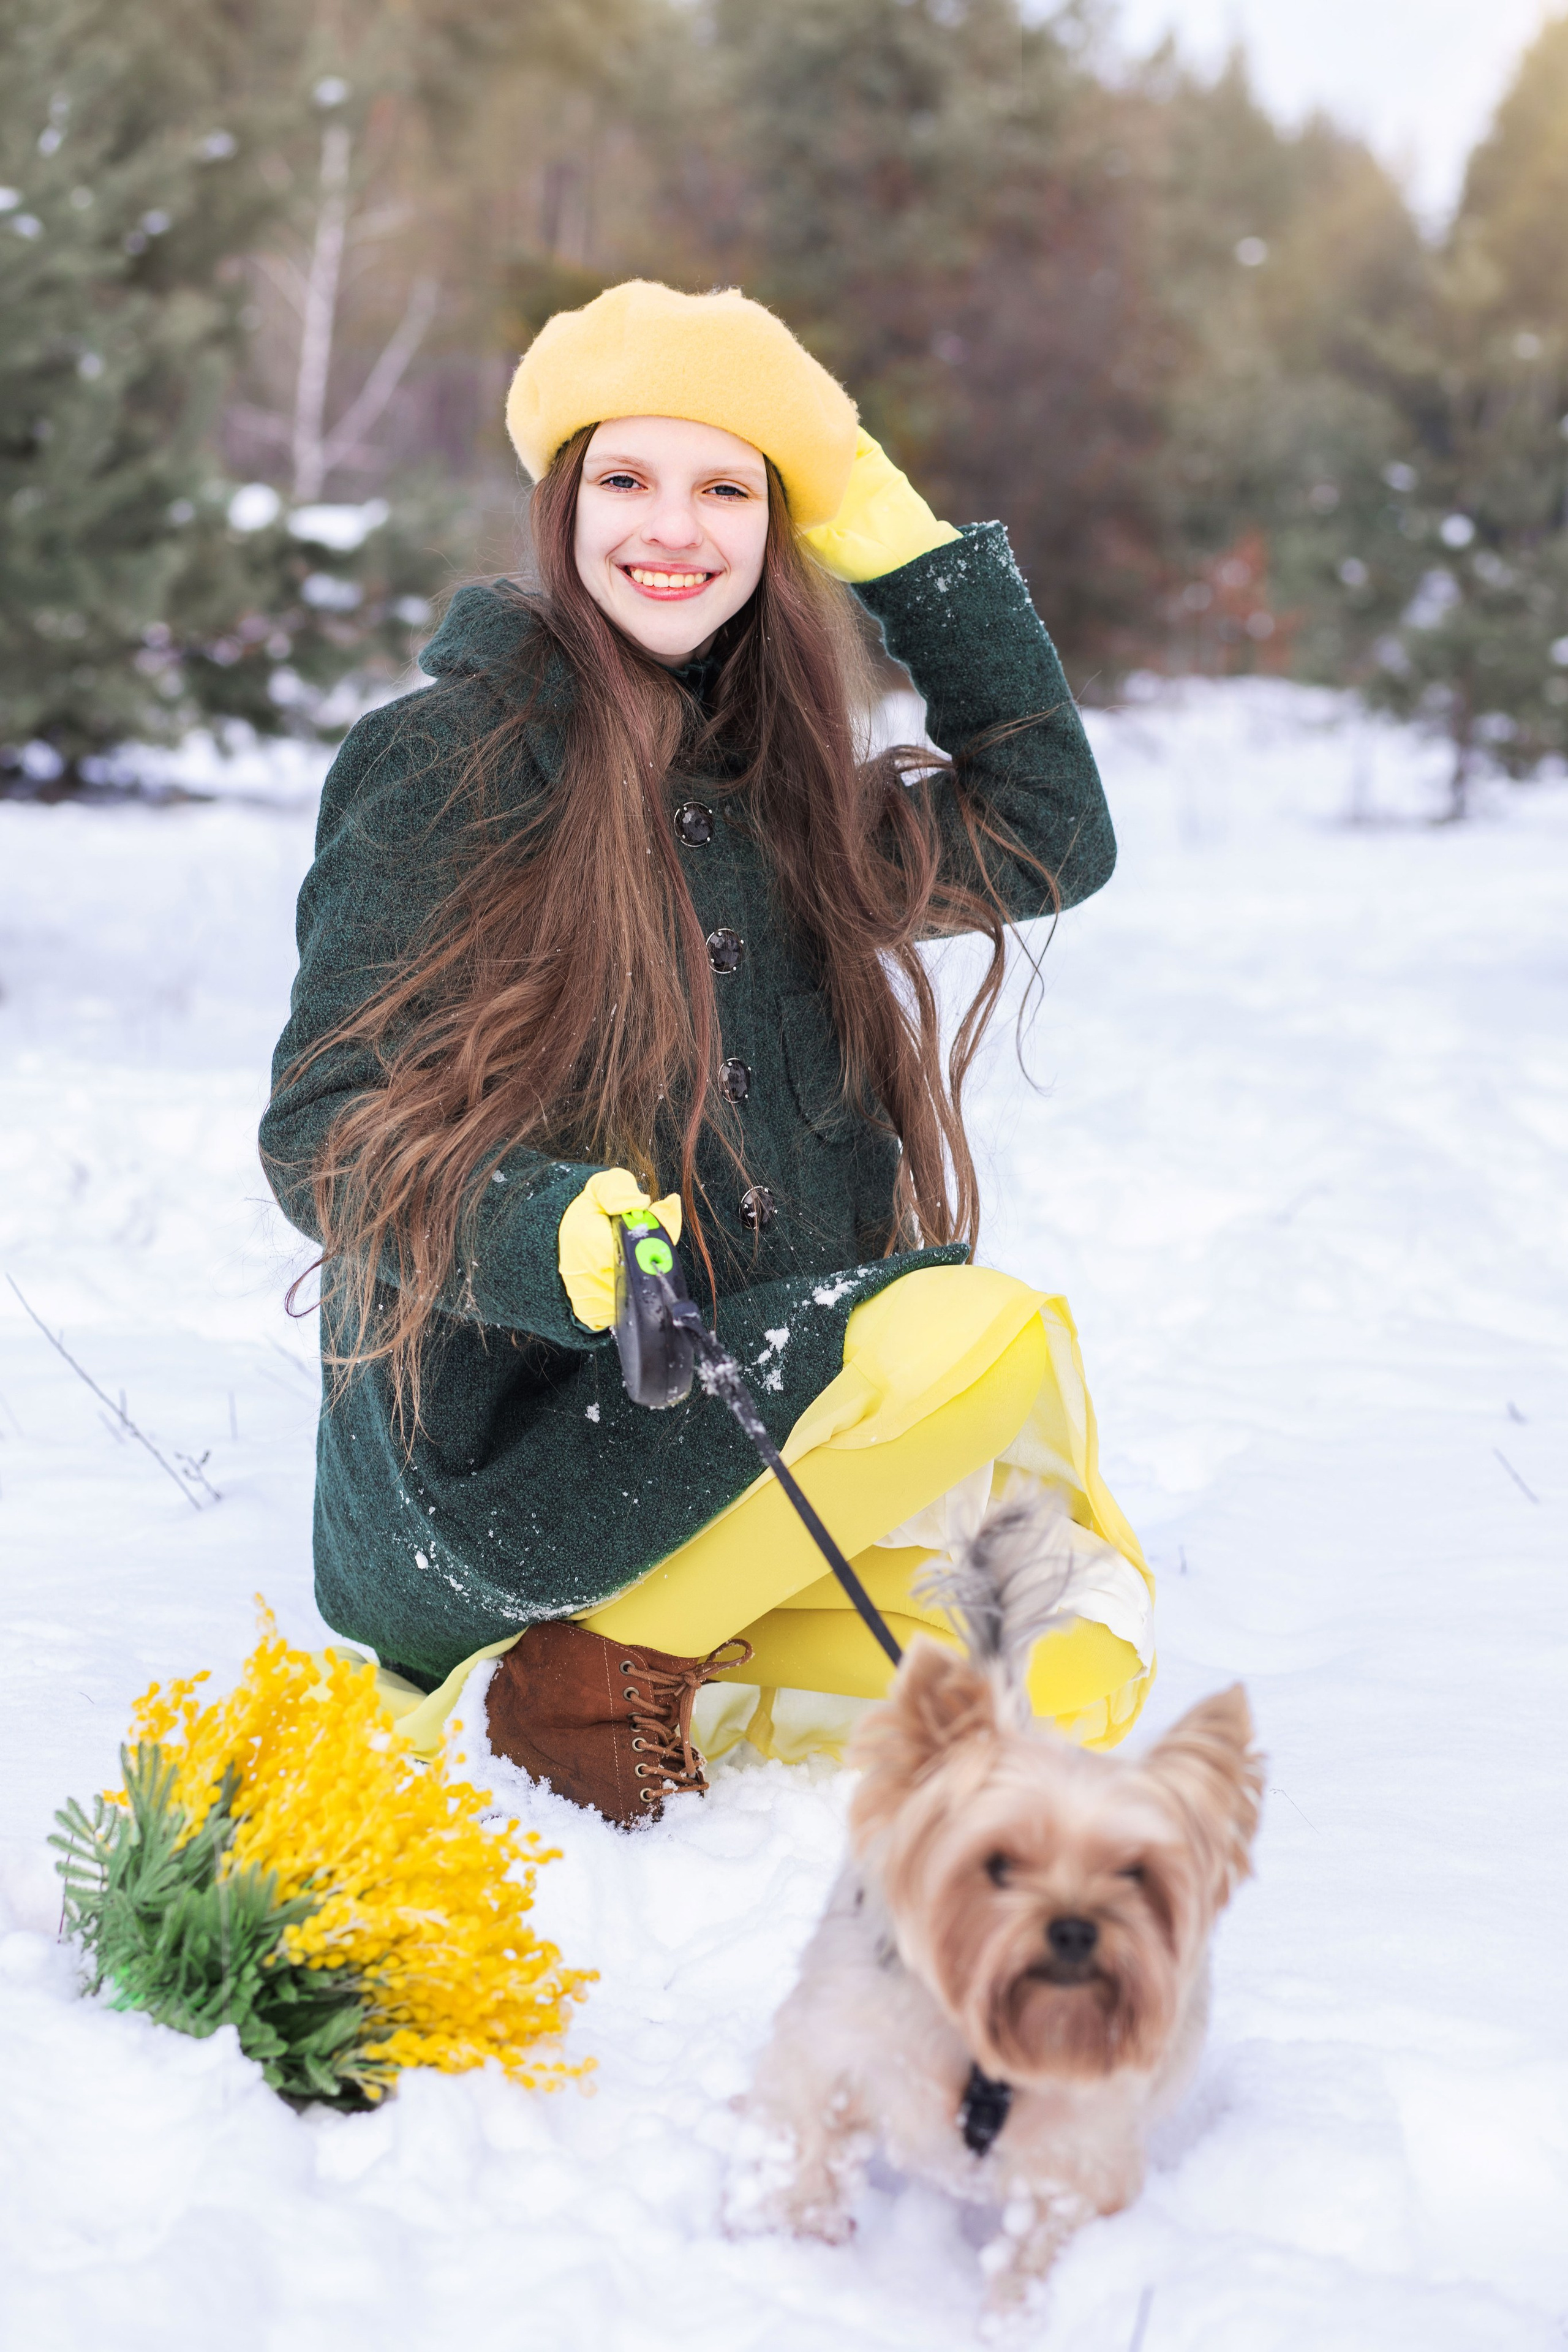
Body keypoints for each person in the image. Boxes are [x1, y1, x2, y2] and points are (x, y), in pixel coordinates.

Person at [261, 279, 1154, 1826]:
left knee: (1071, 1663)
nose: (669, 530)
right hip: (513, 1468)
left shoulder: (786, 794)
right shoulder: (443, 763)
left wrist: (907, 546)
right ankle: (584, 1665)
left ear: (777, 524)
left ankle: (653, 1660)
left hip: (734, 1445)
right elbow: (322, 1128)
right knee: (971, 1331)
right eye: (625, 479)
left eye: (726, 488)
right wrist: (548, 1234)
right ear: (561, 504)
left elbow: (1052, 832)